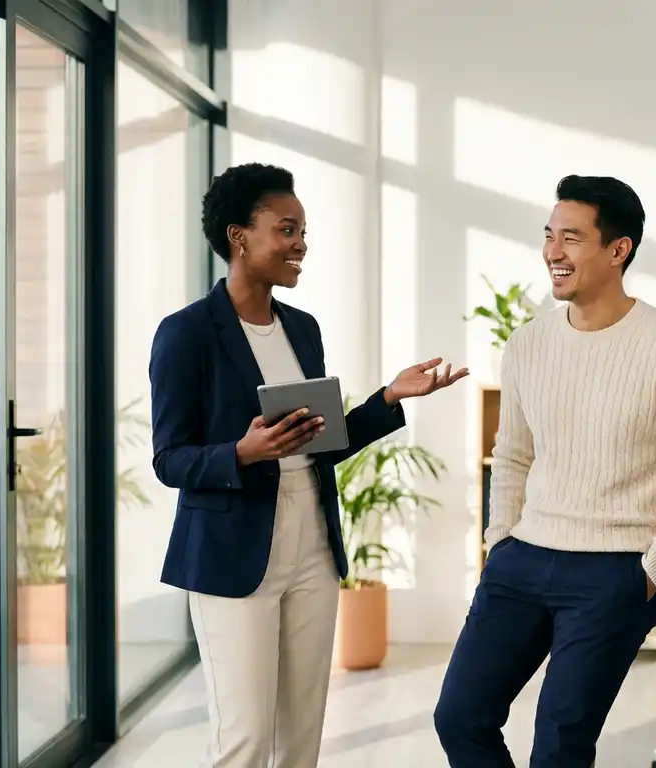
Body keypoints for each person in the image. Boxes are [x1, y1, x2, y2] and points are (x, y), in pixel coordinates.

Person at [148, 162, 467, 768]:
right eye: (286, 230)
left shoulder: (302, 328)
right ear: (239, 237)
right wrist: (241, 453)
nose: (300, 245)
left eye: (303, 231)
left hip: (311, 549)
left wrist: (388, 400)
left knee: (301, 738)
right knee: (242, 739)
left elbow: (321, 441)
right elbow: (169, 458)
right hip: (231, 554)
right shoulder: (187, 333)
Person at [433, 175, 656, 767]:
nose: (552, 252)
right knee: (460, 717)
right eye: (548, 236)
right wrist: (499, 542)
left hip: (616, 570)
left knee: (560, 743)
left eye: (571, 238)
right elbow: (512, 454)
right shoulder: (529, 344)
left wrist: (654, 570)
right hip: (523, 559)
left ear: (618, 250)